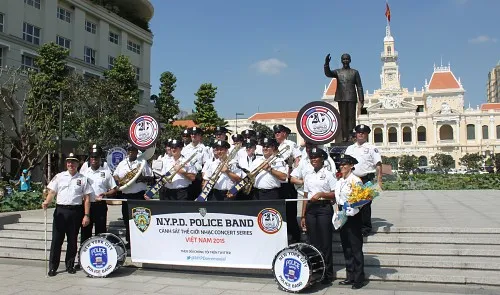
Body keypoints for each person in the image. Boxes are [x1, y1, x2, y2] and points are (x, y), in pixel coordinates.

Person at [42, 153, 93, 277]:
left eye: (73, 162)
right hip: (61, 211)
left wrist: (86, 215)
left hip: (76, 212)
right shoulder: (59, 177)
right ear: (66, 164)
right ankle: (53, 267)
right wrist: (47, 202)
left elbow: (87, 198)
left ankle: (70, 265)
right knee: (56, 240)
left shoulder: (83, 179)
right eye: (69, 162)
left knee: (72, 240)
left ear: (77, 164)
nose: (71, 164)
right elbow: (52, 192)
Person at [300, 148, 336, 285]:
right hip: (310, 208)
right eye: (311, 158)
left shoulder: (328, 174)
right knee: (313, 242)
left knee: (325, 241)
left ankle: (328, 273)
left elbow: (334, 193)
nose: (313, 160)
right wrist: (302, 216)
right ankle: (316, 270)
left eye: (316, 157)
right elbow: (305, 196)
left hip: (323, 207)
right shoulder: (308, 175)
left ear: (322, 159)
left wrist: (322, 194)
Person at [345, 124, 382, 236]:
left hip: (366, 179)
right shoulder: (350, 148)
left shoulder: (372, 148)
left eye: (363, 132)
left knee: (365, 205)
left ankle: (365, 227)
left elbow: (378, 164)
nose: (360, 134)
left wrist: (379, 180)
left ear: (367, 134)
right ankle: (354, 225)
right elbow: (345, 164)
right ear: (356, 134)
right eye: (359, 132)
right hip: (352, 180)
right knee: (352, 202)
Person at [334, 154, 365, 289]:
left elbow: (362, 199)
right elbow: (338, 198)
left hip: (353, 214)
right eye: (340, 164)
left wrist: (355, 208)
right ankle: (350, 275)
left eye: (345, 164)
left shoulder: (355, 180)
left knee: (355, 247)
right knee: (346, 246)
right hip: (342, 213)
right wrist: (337, 211)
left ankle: (359, 278)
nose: (342, 167)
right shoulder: (340, 181)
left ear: (351, 166)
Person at [113, 144, 153, 246]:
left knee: (140, 220)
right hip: (126, 195)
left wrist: (141, 178)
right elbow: (115, 174)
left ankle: (141, 241)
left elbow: (151, 178)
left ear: (136, 151)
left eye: (133, 150)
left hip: (138, 196)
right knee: (127, 220)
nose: (131, 152)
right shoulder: (122, 163)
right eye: (129, 150)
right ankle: (130, 241)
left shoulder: (143, 163)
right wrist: (118, 180)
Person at [80, 145, 118, 245]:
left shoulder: (106, 173)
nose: (94, 159)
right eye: (92, 157)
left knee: (101, 232)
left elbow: (114, 189)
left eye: (96, 157)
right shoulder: (84, 173)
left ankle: (100, 256)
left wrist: (105, 194)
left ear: (100, 158)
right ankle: (83, 256)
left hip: (100, 206)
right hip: (87, 206)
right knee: (85, 233)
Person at [324, 53, 364, 142]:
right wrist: (326, 63)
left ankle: (351, 135)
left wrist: (361, 99)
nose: (345, 61)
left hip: (351, 97)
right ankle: (344, 136)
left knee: (351, 117)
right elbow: (328, 73)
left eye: (347, 59)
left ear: (350, 60)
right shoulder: (338, 72)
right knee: (343, 118)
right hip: (341, 97)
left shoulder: (354, 72)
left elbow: (359, 86)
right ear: (341, 61)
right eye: (344, 59)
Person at [274, 124, 302, 243]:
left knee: (290, 211)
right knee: (279, 211)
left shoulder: (290, 145)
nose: (277, 135)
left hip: (287, 182)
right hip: (276, 182)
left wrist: (293, 173)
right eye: (275, 133)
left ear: (285, 133)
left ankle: (294, 236)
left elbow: (298, 159)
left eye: (279, 132)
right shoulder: (273, 146)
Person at [182, 127, 209, 200]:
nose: (193, 136)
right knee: (188, 198)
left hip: (198, 177)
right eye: (192, 134)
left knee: (198, 200)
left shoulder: (204, 149)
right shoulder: (185, 149)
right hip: (187, 176)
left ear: (200, 136)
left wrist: (204, 179)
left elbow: (206, 164)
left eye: (195, 134)